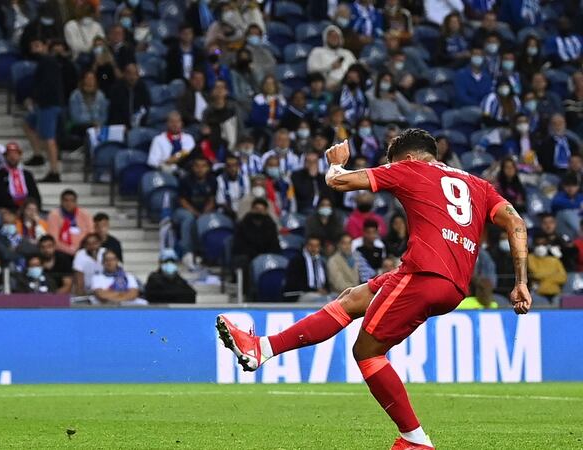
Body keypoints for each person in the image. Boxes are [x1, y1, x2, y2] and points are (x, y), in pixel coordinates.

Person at [217, 129, 531, 449]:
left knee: (366, 352)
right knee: (352, 299)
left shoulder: (410, 168)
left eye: (392, 163)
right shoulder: (479, 186)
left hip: (424, 274)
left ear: (406, 157)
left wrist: (337, 164)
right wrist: (521, 281)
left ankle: (415, 439)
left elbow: (338, 183)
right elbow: (516, 223)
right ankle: (263, 348)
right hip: (451, 284)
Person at [23, 38, 64, 182]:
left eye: (37, 45)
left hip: (48, 104)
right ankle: (38, 155)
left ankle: (54, 171)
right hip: (42, 104)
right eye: (32, 46)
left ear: (45, 46)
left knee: (49, 138)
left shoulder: (48, 61)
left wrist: (35, 98)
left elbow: (47, 84)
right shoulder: (43, 62)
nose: (34, 49)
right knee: (28, 123)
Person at [174, 157, 217, 269]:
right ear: (192, 168)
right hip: (183, 211)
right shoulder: (185, 180)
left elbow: (212, 200)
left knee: (210, 220)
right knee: (189, 219)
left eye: (203, 166)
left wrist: (204, 214)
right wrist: (195, 213)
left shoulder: (212, 180)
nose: (200, 169)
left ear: (208, 168)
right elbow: (182, 200)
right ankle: (187, 253)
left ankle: (205, 253)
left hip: (204, 211)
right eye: (197, 166)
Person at [0, 142, 41, 211]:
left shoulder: (27, 174)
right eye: (9, 154)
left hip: (26, 210)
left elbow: (35, 194)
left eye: (15, 154)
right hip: (8, 209)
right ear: (5, 156)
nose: (12, 157)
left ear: (20, 156)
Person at [306, 25, 356, 91]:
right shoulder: (317, 51)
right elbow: (311, 70)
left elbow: (356, 69)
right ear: (326, 38)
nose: (334, 38)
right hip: (327, 86)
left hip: (347, 85)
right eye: (331, 36)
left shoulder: (347, 53)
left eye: (336, 36)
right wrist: (330, 67)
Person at [47, 189, 94, 257]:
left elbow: (91, 235)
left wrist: (81, 250)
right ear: (61, 201)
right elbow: (53, 240)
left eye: (72, 201)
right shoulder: (54, 215)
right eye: (66, 200)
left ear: (76, 202)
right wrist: (71, 251)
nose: (69, 203)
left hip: (84, 250)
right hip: (62, 252)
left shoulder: (85, 214)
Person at [284, 235, 330, 301]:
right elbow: (294, 283)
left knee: (336, 298)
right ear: (306, 246)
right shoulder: (297, 261)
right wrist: (315, 290)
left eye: (316, 246)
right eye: (311, 245)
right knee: (320, 299)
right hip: (302, 294)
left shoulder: (322, 261)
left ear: (320, 247)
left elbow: (326, 283)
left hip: (321, 293)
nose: (314, 248)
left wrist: (325, 290)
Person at [106, 63, 150, 128]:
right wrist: (123, 126)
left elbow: (146, 107)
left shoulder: (142, 88)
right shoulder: (117, 89)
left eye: (135, 74)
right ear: (124, 74)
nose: (132, 77)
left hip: (139, 126)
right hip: (120, 126)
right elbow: (114, 112)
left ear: (138, 76)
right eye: (129, 74)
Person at [528, 236, 567, 302]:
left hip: (556, 293)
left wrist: (545, 278)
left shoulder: (554, 260)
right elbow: (536, 274)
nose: (541, 247)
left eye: (543, 244)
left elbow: (563, 277)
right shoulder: (529, 258)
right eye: (538, 244)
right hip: (538, 293)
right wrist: (553, 274)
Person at [215, 153, 250, 220]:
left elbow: (246, 197)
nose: (232, 169)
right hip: (226, 212)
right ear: (225, 167)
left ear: (239, 166)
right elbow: (220, 202)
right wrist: (233, 213)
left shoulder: (245, 178)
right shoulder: (219, 179)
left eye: (234, 165)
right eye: (229, 166)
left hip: (242, 211)